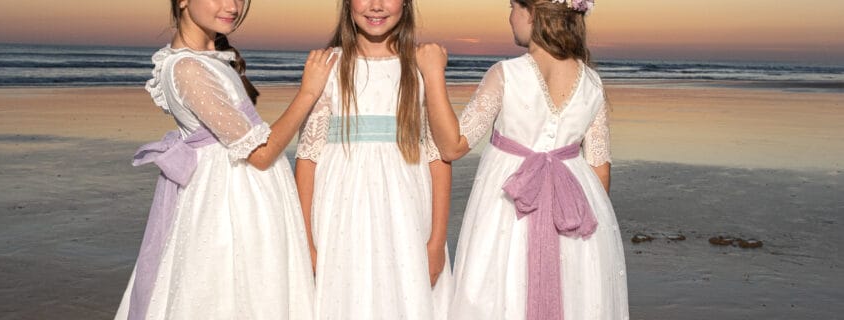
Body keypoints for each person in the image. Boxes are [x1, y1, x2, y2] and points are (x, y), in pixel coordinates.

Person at [114, 0, 337, 319]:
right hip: (231, 204)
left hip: (243, 194)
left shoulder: (208, 58)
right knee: (228, 295)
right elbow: (260, 154)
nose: (231, 5)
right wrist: (308, 92)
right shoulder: (187, 67)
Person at [416, 0, 629, 319]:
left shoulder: (506, 74)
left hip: (508, 210)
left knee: (501, 288)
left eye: (513, 6)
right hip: (573, 213)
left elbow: (453, 146)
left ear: (532, 14)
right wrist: (581, 228)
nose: (510, 15)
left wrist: (433, 76)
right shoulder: (592, 82)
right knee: (574, 294)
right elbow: (599, 166)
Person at [294, 0, 453, 318]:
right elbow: (308, 160)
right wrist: (306, 243)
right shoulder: (328, 67)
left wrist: (436, 241)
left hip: (405, 215)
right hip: (340, 216)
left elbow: (438, 159)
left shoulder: (421, 66)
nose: (376, 6)